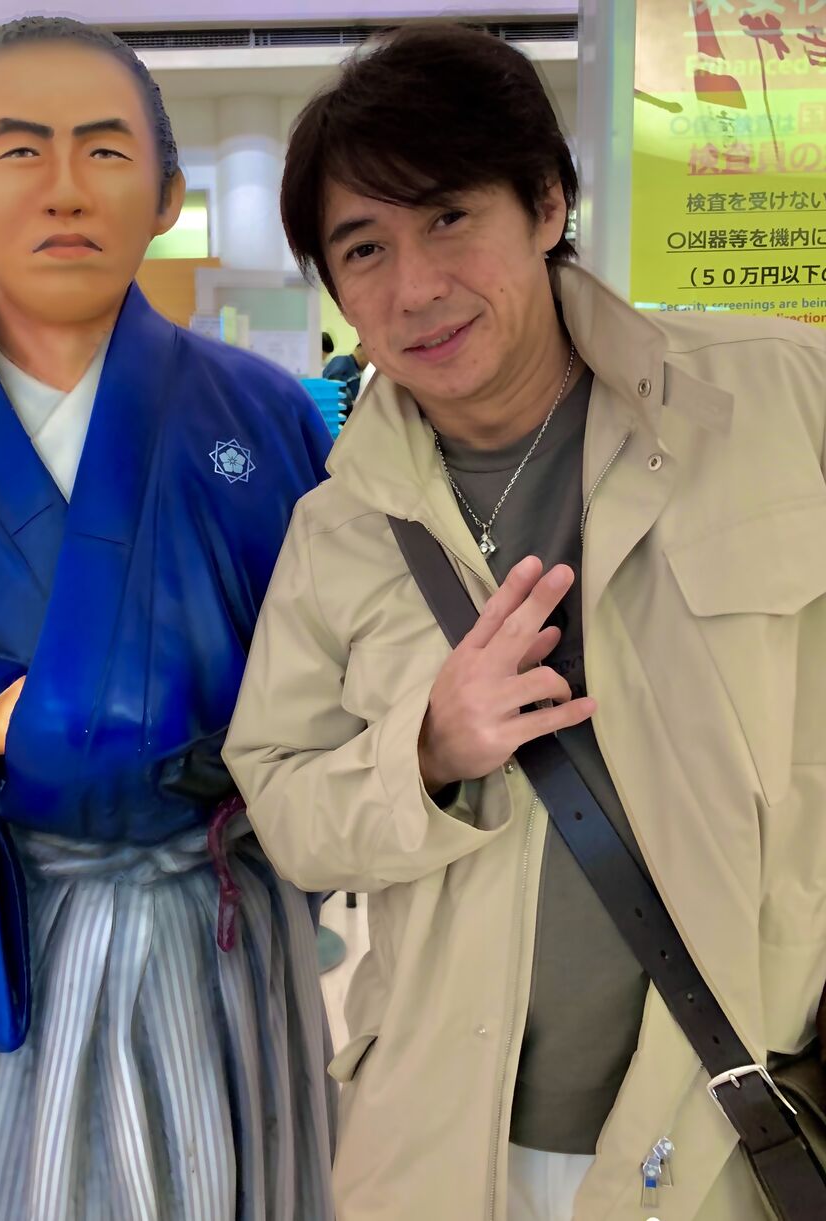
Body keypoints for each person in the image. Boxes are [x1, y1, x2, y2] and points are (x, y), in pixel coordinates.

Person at [224, 22, 825, 1221]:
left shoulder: (774, 400)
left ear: (547, 203)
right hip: (458, 1148)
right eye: (364, 248)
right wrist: (426, 750)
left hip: (740, 1130)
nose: (415, 287)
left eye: (450, 216)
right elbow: (283, 806)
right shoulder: (338, 529)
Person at [0, 17, 335, 1221]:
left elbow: (322, 643)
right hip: (22, 908)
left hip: (218, 899)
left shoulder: (259, 409)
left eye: (103, 151)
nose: (63, 189)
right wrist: (6, 715)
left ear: (167, 196)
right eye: (20, 151)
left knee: (239, 1172)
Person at [323, 339, 367, 412]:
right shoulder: (343, 361)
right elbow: (333, 385)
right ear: (359, 349)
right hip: (334, 411)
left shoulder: (356, 370)